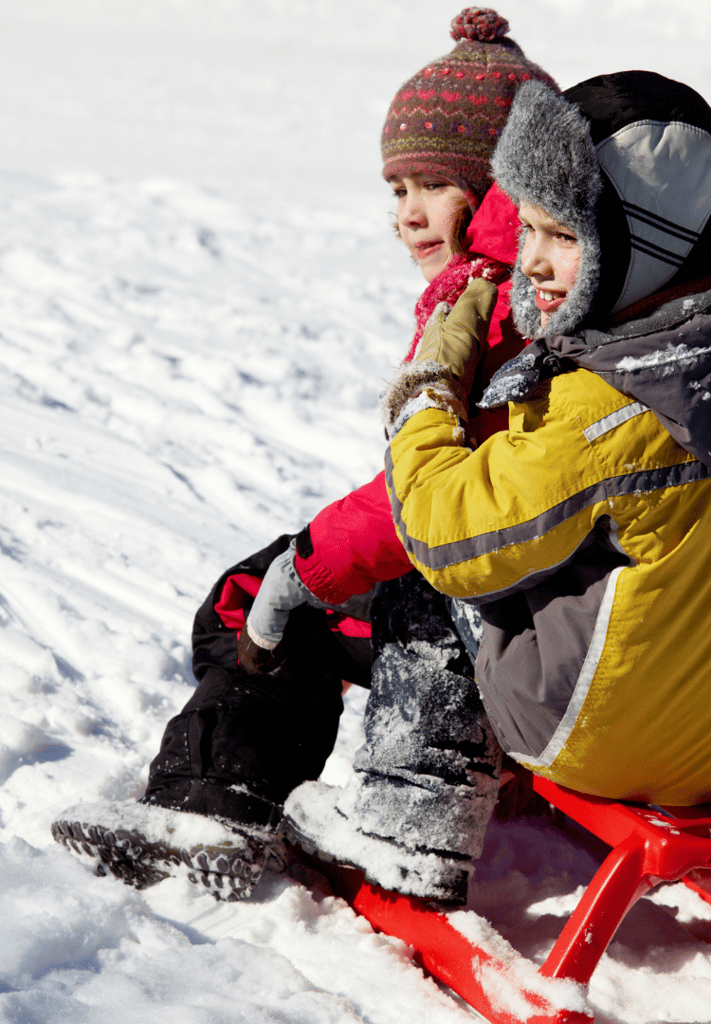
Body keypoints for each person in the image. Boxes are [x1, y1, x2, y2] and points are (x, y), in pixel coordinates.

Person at [295, 71, 711, 918]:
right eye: (526, 228)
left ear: (649, 242)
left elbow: (443, 531)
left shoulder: (605, 406)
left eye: (561, 235)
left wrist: (427, 395)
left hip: (602, 739)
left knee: (435, 573)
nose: (530, 263)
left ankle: (408, 832)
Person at [51, 8, 556, 905]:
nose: (405, 216)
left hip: (496, 602)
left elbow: (441, 493)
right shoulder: (564, 274)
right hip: (548, 602)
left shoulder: (500, 298)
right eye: (394, 192)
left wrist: (309, 569)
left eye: (428, 187)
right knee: (302, 576)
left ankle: (212, 807)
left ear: (492, 184)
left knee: (258, 601)